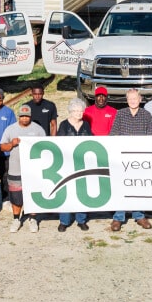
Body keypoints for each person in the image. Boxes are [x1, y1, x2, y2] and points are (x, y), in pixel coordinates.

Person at [109, 89, 152, 231]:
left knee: (138, 187)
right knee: (122, 187)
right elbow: (113, 134)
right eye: (130, 98)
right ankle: (118, 217)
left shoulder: (147, 115)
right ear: (127, 99)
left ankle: (139, 215)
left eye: (135, 98)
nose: (133, 101)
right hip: (123, 158)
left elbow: (150, 137)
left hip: (139, 158)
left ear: (140, 98)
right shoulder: (120, 114)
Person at [0, 104, 46, 232]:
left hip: (33, 170)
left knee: (33, 194)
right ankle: (16, 219)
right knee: (16, 196)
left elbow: (46, 146)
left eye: (27, 116)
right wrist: (11, 144)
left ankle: (33, 219)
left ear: (30, 116)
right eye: (22, 116)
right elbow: (2, 147)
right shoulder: (10, 129)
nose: (24, 118)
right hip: (15, 168)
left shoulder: (38, 130)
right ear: (19, 116)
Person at [55, 98, 93, 232]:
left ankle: (81, 219)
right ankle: (64, 220)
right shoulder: (64, 125)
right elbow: (59, 144)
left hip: (82, 164)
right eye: (76, 111)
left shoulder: (86, 125)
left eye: (81, 111)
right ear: (70, 112)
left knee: (82, 191)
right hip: (67, 164)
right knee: (67, 191)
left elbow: (91, 142)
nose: (79, 113)